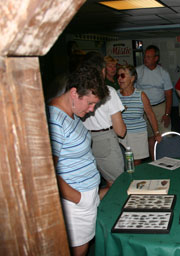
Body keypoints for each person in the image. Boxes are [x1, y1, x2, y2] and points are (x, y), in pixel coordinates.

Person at [47, 65, 109, 256]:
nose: (91, 110)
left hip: (86, 196)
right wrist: (79, 199)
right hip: (75, 203)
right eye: (90, 103)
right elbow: (47, 174)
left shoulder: (71, 114)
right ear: (74, 93)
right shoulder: (55, 121)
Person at [81, 53, 126, 188]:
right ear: (102, 70)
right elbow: (120, 131)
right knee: (117, 183)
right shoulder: (108, 91)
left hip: (83, 139)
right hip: (105, 140)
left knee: (91, 185)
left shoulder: (78, 89)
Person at [117, 65, 162, 165]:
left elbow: (150, 114)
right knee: (122, 163)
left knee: (136, 162)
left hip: (138, 134)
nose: (119, 78)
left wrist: (156, 132)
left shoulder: (141, 95)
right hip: (121, 135)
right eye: (118, 76)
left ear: (132, 78)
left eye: (123, 75)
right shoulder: (115, 96)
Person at [135, 45, 173, 160]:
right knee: (150, 137)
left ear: (156, 58)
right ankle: (154, 161)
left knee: (165, 136)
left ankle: (166, 160)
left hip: (160, 107)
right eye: (145, 56)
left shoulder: (163, 73)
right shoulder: (138, 71)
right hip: (143, 109)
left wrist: (167, 114)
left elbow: (169, 94)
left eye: (148, 57)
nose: (145, 59)